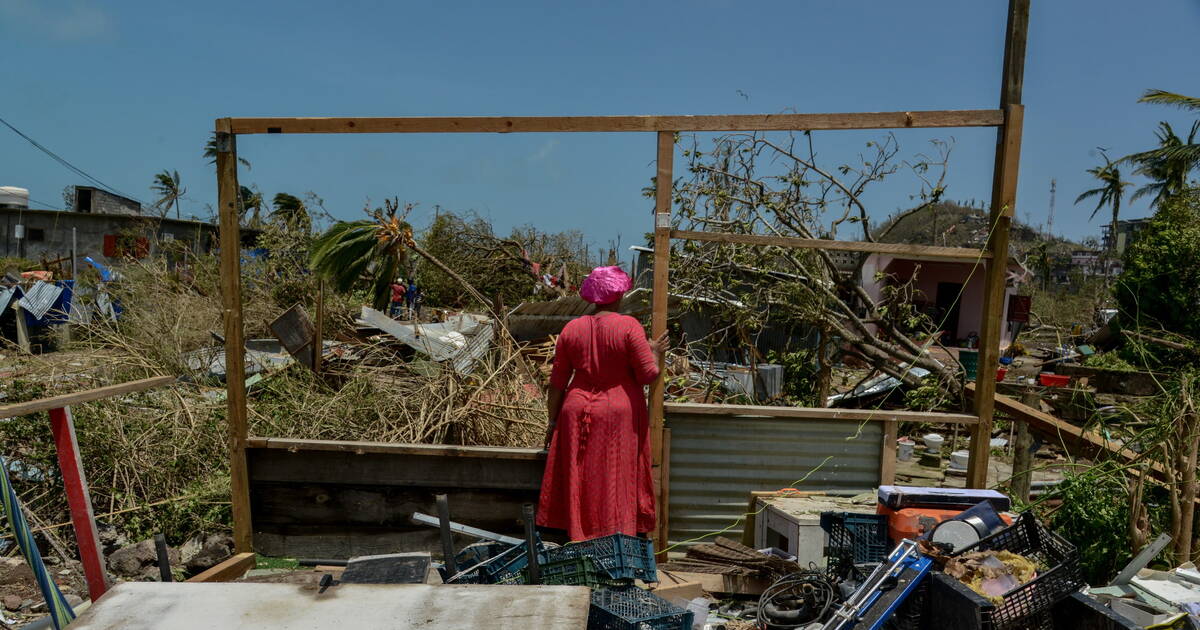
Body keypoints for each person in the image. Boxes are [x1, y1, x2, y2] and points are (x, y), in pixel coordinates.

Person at [536, 266, 668, 541]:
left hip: (575, 409)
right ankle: (614, 537)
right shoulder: (628, 326)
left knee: (579, 475)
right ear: (619, 294)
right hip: (617, 413)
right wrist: (655, 353)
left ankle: (576, 534)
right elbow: (647, 374)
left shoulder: (572, 328)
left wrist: (552, 421)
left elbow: (557, 382)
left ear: (592, 297)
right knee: (613, 478)